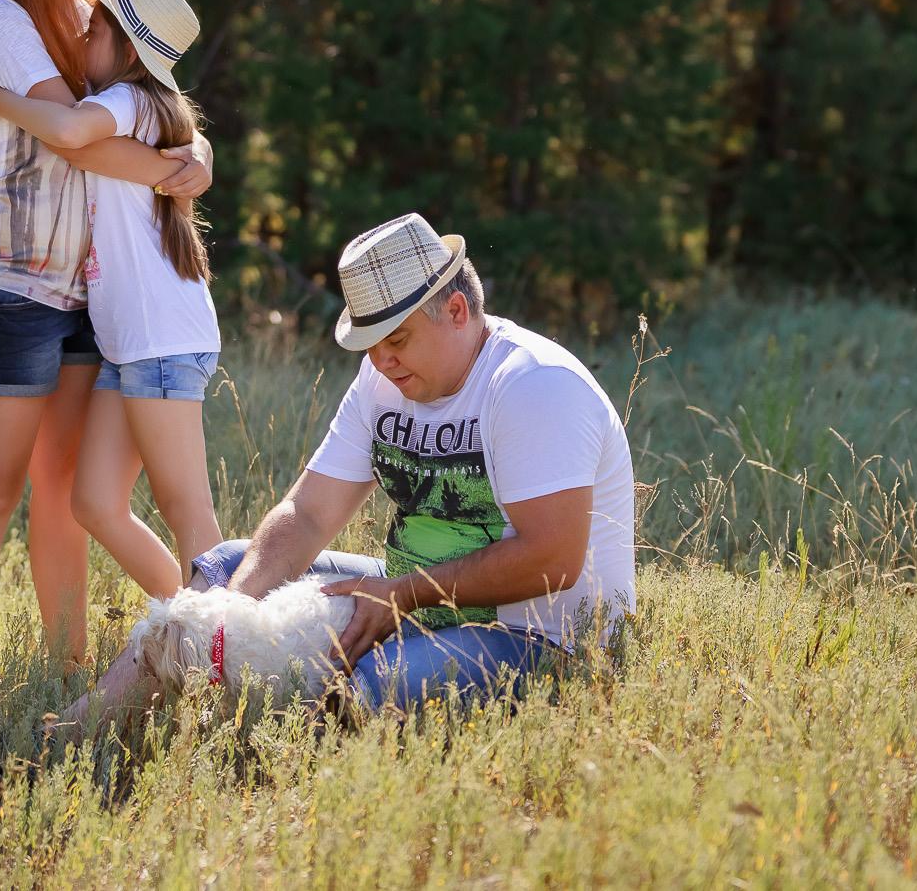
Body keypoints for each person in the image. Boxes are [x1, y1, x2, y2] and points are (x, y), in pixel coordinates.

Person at [61, 211, 636, 727]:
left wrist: (401, 595)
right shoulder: (384, 377)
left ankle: (271, 761)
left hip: (542, 635)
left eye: (397, 339)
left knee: (371, 686)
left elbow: (552, 559)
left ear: (456, 311)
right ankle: (71, 734)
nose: (381, 361)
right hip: (416, 596)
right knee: (223, 571)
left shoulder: (534, 384)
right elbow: (308, 512)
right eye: (369, 346)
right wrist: (230, 616)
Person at [0, 0, 211, 686]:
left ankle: (68, 668)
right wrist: (170, 170)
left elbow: (152, 93)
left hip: (85, 289)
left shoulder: (82, 9)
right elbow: (71, 132)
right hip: (7, 283)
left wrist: (196, 151)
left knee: (59, 486)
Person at [0, 0, 224, 599]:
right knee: (94, 502)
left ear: (128, 51)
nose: (82, 34)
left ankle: (225, 642)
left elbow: (70, 135)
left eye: (95, 29)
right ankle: (185, 616)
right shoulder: (142, 103)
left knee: (186, 508)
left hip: (158, 337)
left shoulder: (127, 100)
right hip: (127, 342)